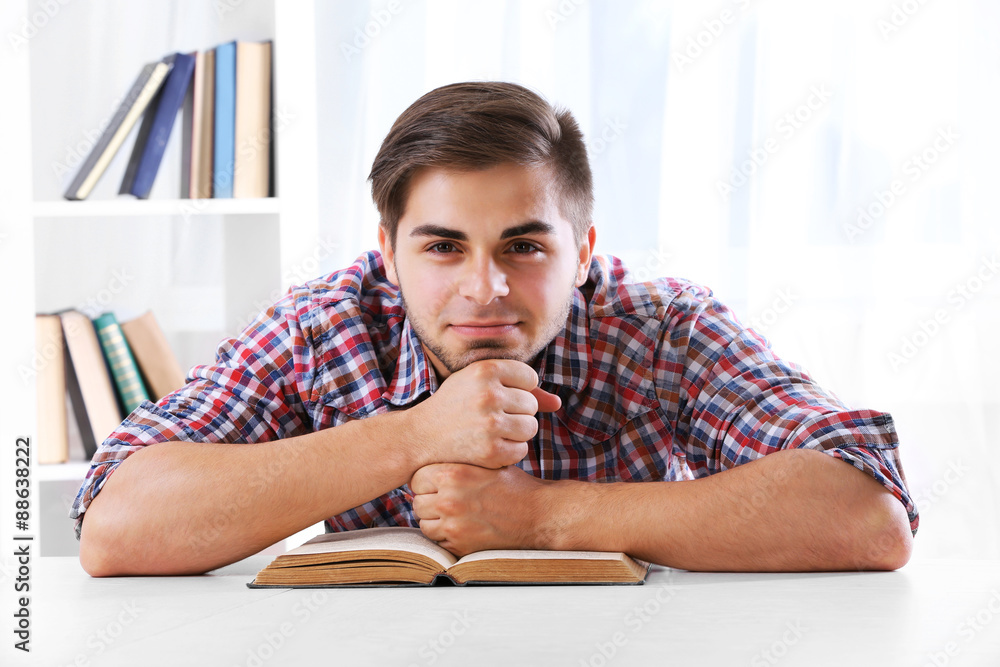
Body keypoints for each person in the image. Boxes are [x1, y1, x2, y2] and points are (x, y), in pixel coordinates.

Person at [71, 81, 917, 576]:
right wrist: (415, 435)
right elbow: (115, 523)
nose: (486, 287)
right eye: (442, 246)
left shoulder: (663, 328)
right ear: (389, 252)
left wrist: (544, 517)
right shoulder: (323, 323)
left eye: (524, 244)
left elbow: (865, 510)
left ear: (582, 249)